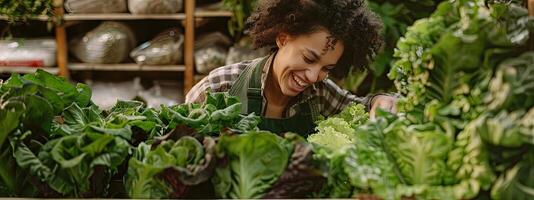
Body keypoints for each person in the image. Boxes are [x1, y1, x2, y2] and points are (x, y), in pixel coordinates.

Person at [186, 0, 397, 136]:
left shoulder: (320, 94)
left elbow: (362, 106)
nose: (314, 76)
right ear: (283, 39)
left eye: (327, 68)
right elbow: (177, 149)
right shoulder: (219, 87)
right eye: (308, 58)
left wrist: (380, 101)